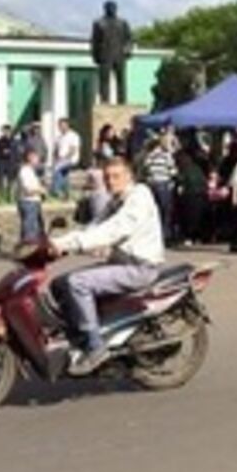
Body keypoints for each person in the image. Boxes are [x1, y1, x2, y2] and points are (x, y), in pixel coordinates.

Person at [49, 156, 164, 375]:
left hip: (140, 268)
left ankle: (95, 347)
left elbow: (114, 230)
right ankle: (79, 335)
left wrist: (72, 244)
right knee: (59, 284)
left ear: (129, 176)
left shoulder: (139, 197)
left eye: (116, 176)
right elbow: (94, 228)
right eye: (107, 177)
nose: (111, 181)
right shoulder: (115, 201)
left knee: (77, 283)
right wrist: (58, 244)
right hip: (121, 264)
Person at [142, 131, 177, 244]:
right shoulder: (166, 155)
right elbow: (173, 171)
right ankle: (165, 235)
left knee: (155, 211)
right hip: (163, 183)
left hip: (152, 184)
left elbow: (146, 168)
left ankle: (154, 234)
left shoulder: (150, 156)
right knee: (166, 211)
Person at [16, 148, 46, 242]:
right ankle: (28, 246)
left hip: (34, 202)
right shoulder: (25, 171)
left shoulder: (31, 171)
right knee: (30, 230)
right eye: (36, 157)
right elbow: (28, 189)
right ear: (30, 157)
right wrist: (40, 190)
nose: (38, 160)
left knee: (37, 228)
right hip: (28, 202)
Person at [52, 118, 82, 198]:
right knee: (64, 175)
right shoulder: (58, 137)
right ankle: (66, 193)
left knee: (57, 169)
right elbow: (56, 150)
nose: (61, 127)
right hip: (61, 160)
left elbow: (73, 149)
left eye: (63, 125)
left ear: (67, 125)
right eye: (60, 125)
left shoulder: (73, 136)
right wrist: (55, 158)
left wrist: (64, 158)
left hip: (71, 159)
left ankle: (55, 190)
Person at [0, 125, 18, 196]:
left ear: (10, 131)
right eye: (4, 131)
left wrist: (17, 164)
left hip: (11, 163)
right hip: (1, 163)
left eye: (7, 131)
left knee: (10, 182)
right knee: (0, 181)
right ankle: (0, 196)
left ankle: (9, 196)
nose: (6, 133)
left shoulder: (15, 141)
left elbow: (17, 154)